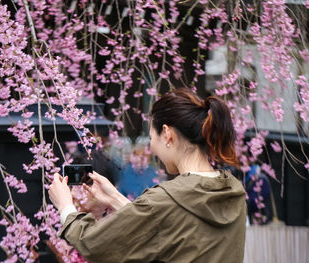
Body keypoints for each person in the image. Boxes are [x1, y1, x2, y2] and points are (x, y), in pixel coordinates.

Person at [49, 88, 246, 263]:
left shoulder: (165, 199)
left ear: (167, 135)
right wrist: (115, 198)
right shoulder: (233, 191)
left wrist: (66, 206)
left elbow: (92, 244)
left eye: (152, 138)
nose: (151, 146)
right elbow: (172, 225)